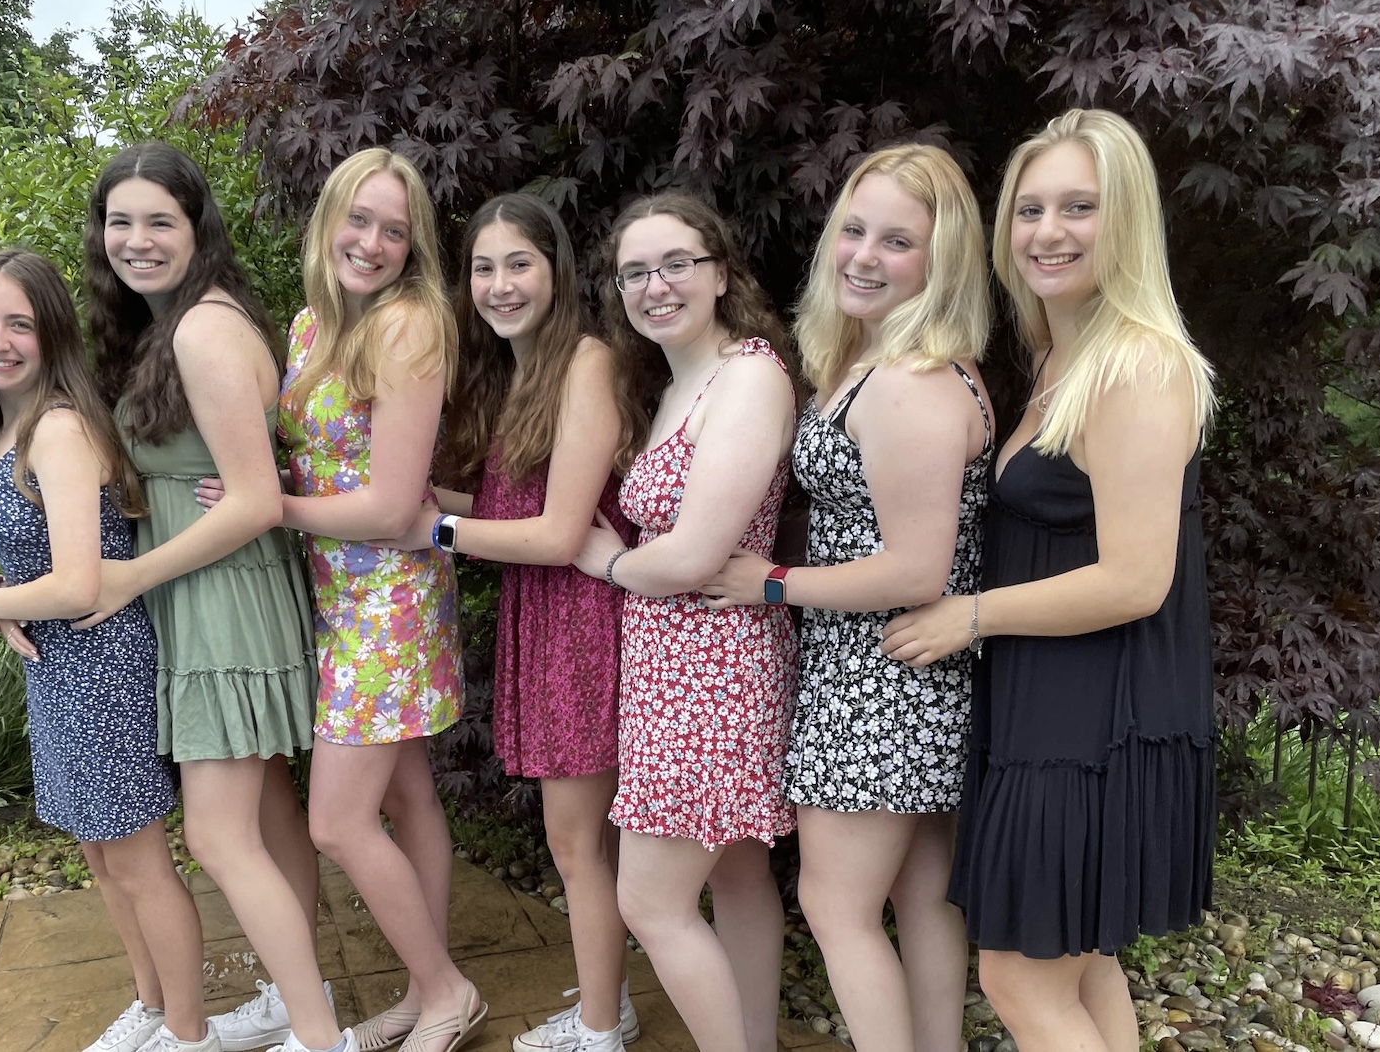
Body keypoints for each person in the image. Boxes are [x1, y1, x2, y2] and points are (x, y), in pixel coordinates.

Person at [882, 108, 1217, 1052]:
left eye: (1079, 207)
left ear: (1128, 222)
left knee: (1021, 976)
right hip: (1048, 703)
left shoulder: (1139, 365)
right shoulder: (1057, 356)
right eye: (1030, 209)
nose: (1047, 231)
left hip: (1102, 717)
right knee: (1084, 962)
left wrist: (969, 615)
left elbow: (1137, 580)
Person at [700, 143, 994, 1052]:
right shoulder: (890, 361)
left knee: (836, 906)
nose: (864, 256)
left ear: (941, 261)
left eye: (896, 242)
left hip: (881, 681)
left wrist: (771, 583)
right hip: (901, 676)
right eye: (854, 231)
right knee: (920, 895)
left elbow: (915, 569)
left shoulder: (910, 382)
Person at [78, 143, 345, 1052]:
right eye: (120, 221)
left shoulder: (202, 328)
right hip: (210, 589)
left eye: (161, 221)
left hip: (219, 598)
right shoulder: (171, 323)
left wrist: (131, 577)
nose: (138, 240)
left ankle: (319, 1036)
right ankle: (293, 1000)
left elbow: (257, 500)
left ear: (198, 229)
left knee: (219, 836)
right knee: (267, 813)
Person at [0, 249, 210, 1052]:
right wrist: (3, 597)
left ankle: (189, 1033)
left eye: (19, 324)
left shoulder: (57, 429)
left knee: (137, 862)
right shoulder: (3, 429)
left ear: (52, 334)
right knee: (101, 858)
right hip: (59, 675)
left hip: (101, 668)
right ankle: (151, 1005)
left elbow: (76, 583)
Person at [570, 194, 797, 1052]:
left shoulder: (749, 376)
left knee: (650, 901)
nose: (655, 286)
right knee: (736, 871)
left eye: (676, 264)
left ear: (721, 273)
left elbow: (697, 552)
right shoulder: (678, 385)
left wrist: (610, 563)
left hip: (711, 669)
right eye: (635, 272)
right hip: (677, 667)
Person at [417, 193, 643, 1052]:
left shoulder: (586, 362)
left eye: (519, 264)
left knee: (576, 840)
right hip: (546, 616)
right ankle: (608, 1002)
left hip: (584, 617)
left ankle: (600, 1027)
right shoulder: (517, 373)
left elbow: (555, 536)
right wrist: (392, 497)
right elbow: (506, 509)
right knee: (585, 842)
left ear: (557, 271)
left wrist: (435, 530)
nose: (500, 284)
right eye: (484, 267)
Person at [275, 147, 483, 1052]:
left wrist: (271, 508)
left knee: (335, 821)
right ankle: (420, 991)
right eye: (358, 220)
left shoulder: (407, 329)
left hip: (390, 599)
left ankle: (446, 992)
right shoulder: (309, 326)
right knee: (407, 797)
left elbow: (395, 507)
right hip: (340, 595)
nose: (371, 242)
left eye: (394, 231)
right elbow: (325, 462)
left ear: (413, 247)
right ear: (328, 219)